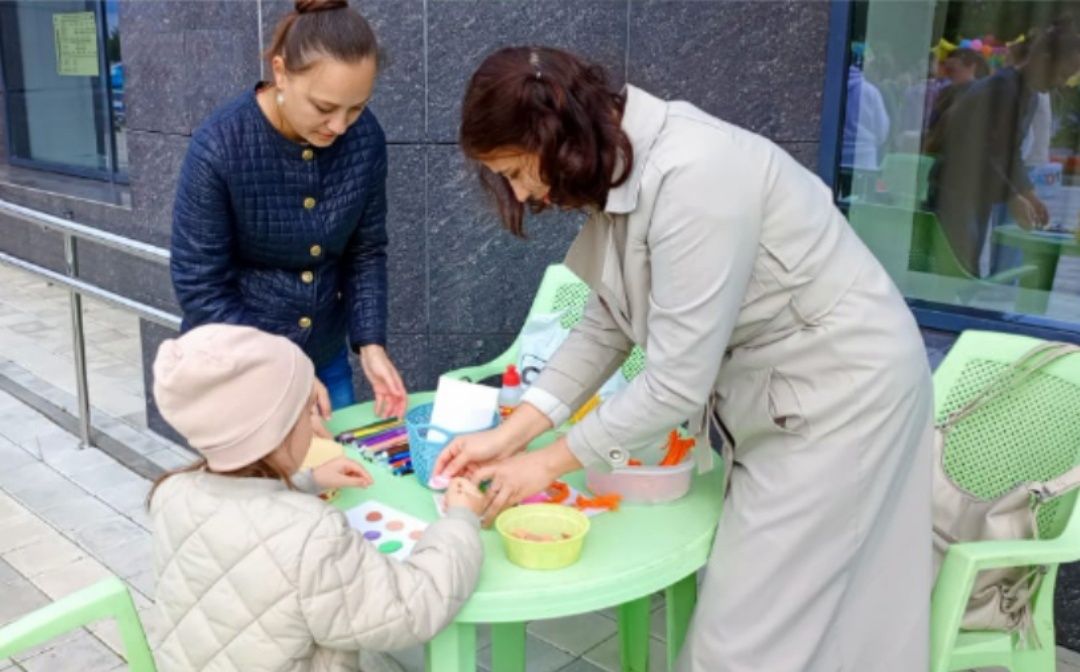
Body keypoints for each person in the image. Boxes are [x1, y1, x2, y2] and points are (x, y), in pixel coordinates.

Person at [436, 46, 934, 671]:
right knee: (808, 617)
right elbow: (607, 322)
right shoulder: (621, 165)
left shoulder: (694, 176)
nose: (520, 192)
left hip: (845, 397)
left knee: (746, 638)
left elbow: (674, 381)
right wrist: (512, 435)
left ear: (549, 139)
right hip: (792, 397)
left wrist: (545, 465)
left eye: (514, 171)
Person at [147, 324, 485, 671]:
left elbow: (247, 531)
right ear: (277, 431)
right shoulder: (311, 533)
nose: (319, 422)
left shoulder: (171, 494)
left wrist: (305, 480)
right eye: (309, 410)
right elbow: (411, 608)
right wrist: (460, 519)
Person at [169, 0, 406, 419]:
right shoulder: (220, 146)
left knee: (337, 477)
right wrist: (281, 367)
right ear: (280, 72)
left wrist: (371, 344)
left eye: (357, 108)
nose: (340, 127)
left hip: (326, 356)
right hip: (237, 366)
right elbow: (200, 285)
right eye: (324, 107)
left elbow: (366, 250)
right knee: (255, 484)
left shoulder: (365, 139)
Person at [930, 20, 1080, 275]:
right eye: (1062, 74)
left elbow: (1010, 151)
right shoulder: (1004, 87)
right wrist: (1013, 197)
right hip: (955, 190)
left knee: (965, 268)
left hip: (972, 193)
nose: (1062, 83)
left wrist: (1028, 193)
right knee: (957, 272)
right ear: (1042, 59)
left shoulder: (1027, 92)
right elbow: (983, 151)